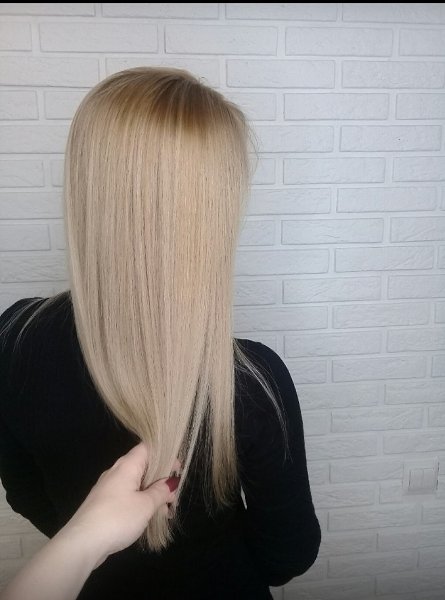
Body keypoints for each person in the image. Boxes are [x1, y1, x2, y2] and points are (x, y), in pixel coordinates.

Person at [0, 66, 321, 600]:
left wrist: (94, 548)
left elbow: (25, 494)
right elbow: (289, 553)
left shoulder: (13, 338)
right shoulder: (252, 383)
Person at [0, 442, 181, 600]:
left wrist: (77, 532)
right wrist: (85, 534)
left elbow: (23, 491)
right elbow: (23, 493)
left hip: (91, 580)